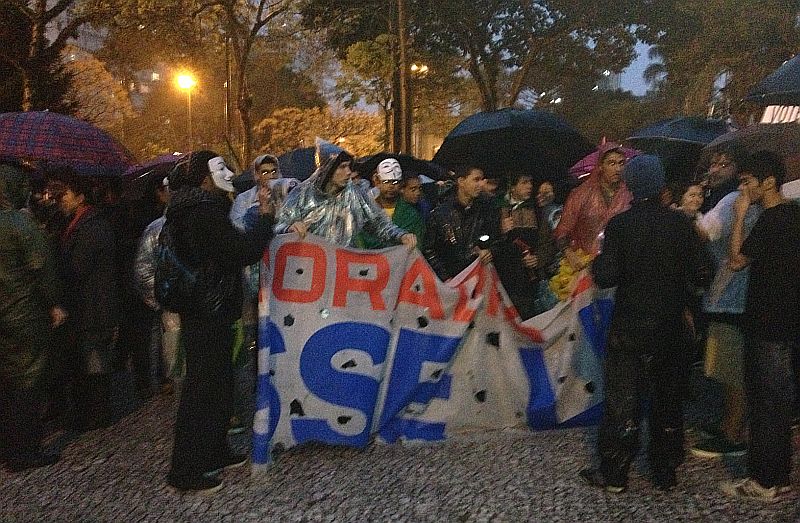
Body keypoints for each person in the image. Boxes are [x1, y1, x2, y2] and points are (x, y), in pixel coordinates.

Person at [580, 155, 708, 493]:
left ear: (630, 186)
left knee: (623, 401)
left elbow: (606, 275)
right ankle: (665, 470)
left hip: (630, 326)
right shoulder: (681, 224)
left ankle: (615, 473)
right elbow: (704, 272)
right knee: (668, 399)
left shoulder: (621, 225)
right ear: (662, 185)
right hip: (671, 326)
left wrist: (598, 261)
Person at [164, 150, 276, 494]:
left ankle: (214, 451)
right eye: (220, 169)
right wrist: (265, 219)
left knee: (218, 384)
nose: (228, 174)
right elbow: (239, 251)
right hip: (207, 311)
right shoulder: (203, 212)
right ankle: (186, 470)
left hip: (205, 309)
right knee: (204, 390)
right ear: (204, 178)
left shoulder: (191, 209)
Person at [720, 151, 799, 502]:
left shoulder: (770, 219)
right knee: (780, 403)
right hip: (789, 321)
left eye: (748, 181)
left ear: (768, 182)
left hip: (766, 322)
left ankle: (764, 481)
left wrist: (738, 217)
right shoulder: (796, 214)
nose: (744, 188)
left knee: (765, 403)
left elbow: (736, 261)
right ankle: (779, 476)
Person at [690, 154, 762, 459]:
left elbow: (706, 232)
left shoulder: (732, 198)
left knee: (730, 368)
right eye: (713, 164)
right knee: (737, 366)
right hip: (749, 296)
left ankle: (732, 435)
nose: (715, 169)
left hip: (730, 296)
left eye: (725, 164)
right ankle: (731, 425)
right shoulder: (754, 202)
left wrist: (689, 213)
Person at [0, 162, 66, 471]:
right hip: (24, 315)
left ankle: (8, 447)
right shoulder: (20, 225)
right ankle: (25, 452)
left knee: (6, 384)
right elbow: (43, 268)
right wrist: (54, 304)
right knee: (28, 384)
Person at [48, 167, 120, 432]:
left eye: (64, 195)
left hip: (94, 308)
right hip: (85, 308)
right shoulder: (75, 224)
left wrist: (55, 260)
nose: (59, 201)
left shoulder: (92, 226)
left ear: (79, 197)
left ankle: (98, 415)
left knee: (94, 364)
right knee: (85, 363)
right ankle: (88, 413)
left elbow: (77, 268)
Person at [275, 151, 416, 249]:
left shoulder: (354, 194)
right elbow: (278, 227)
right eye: (342, 167)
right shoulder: (302, 194)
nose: (348, 172)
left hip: (344, 270)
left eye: (349, 166)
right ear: (327, 169)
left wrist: (401, 236)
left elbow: (378, 223)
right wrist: (290, 228)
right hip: (310, 269)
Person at [554, 143, 632, 269]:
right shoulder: (581, 194)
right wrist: (569, 253)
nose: (618, 169)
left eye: (621, 163)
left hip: (620, 266)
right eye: (612, 163)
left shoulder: (630, 194)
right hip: (585, 265)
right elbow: (562, 231)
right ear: (601, 166)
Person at [493, 173, 557, 319]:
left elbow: (547, 241)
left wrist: (538, 258)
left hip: (529, 280)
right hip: (503, 279)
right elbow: (487, 240)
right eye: (524, 182)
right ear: (512, 187)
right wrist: (500, 230)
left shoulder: (537, 210)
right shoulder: (496, 209)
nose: (529, 186)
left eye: (530, 182)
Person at [423, 166, 501, 281]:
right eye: (476, 180)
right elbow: (429, 249)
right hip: (449, 282)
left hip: (478, 279)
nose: (481, 184)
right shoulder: (440, 213)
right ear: (461, 181)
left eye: (482, 179)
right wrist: (445, 277)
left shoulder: (487, 209)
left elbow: (496, 239)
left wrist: (489, 251)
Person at [360, 159, 425, 249]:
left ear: (400, 184)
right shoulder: (366, 210)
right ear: (377, 182)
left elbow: (416, 249)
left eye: (395, 182)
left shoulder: (411, 214)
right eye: (386, 182)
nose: (391, 186)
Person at [699, 144, 748, 214]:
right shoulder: (707, 192)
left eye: (723, 165)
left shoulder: (739, 196)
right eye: (713, 164)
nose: (715, 170)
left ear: (738, 167)